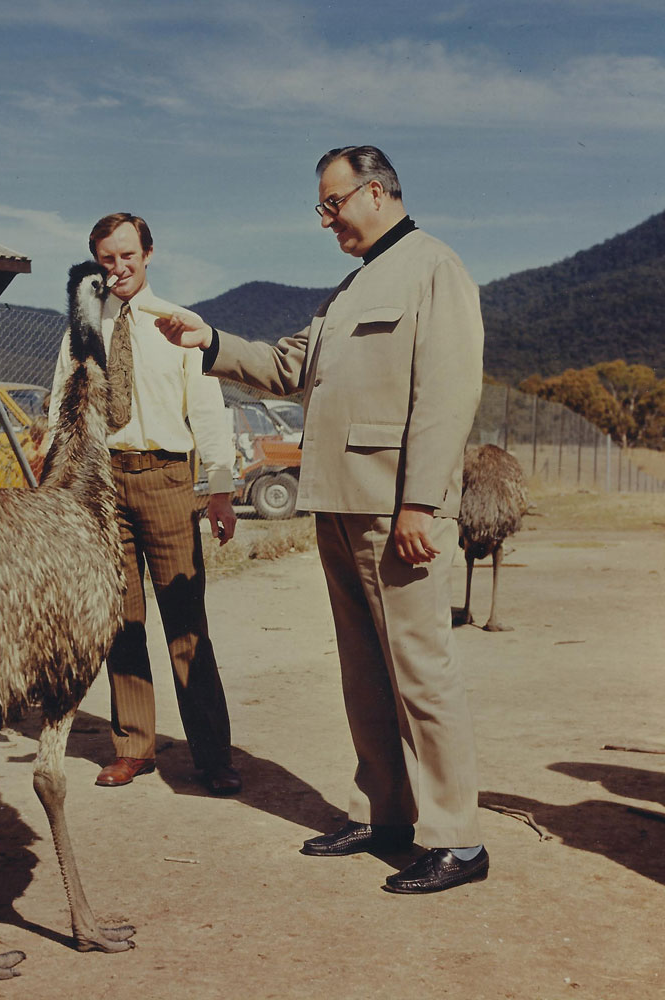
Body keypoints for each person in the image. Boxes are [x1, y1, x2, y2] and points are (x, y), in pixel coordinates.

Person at [158, 147, 488, 892]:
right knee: (365, 671)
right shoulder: (350, 288)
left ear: (375, 191)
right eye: (323, 207)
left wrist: (420, 502)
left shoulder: (435, 268)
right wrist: (206, 341)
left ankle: (457, 839)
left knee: (421, 671)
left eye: (333, 203)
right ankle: (384, 813)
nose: (327, 219)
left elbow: (445, 395)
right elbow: (287, 366)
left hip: (395, 508)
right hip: (338, 500)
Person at [47, 212, 242, 795]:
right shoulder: (82, 328)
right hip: (104, 487)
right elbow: (64, 401)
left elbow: (207, 409)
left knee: (186, 623)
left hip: (166, 480)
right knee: (121, 624)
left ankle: (212, 757)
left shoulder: (178, 323)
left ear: (148, 254)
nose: (118, 268)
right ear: (96, 263)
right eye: (107, 259)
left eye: (128, 256)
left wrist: (222, 489)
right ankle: (134, 748)